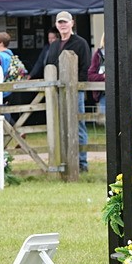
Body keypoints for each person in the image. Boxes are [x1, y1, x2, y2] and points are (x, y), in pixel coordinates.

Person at [43, 11, 92, 172]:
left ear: (72, 23)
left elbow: (86, 68)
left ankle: (82, 163)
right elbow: (50, 65)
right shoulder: (54, 45)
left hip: (75, 91)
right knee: (60, 124)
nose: (63, 25)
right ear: (56, 25)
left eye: (65, 22)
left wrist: (78, 87)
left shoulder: (80, 43)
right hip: (57, 91)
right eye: (60, 22)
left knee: (78, 126)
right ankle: (63, 160)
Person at [87, 34, 106, 114]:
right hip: (103, 93)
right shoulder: (98, 54)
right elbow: (90, 75)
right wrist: (103, 76)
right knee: (107, 120)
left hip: (122, 92)